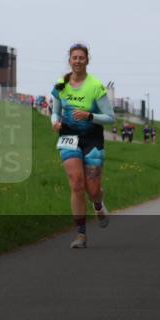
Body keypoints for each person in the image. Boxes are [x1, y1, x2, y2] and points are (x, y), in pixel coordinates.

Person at [51, 43, 115, 248]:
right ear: (69, 60)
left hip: (92, 139)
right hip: (68, 137)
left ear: (87, 60)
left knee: (93, 189)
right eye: (74, 57)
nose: (77, 61)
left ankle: (98, 204)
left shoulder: (95, 86)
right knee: (76, 184)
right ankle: (80, 234)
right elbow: (55, 111)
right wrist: (54, 121)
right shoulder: (61, 84)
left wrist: (89, 116)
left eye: (81, 57)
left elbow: (110, 118)